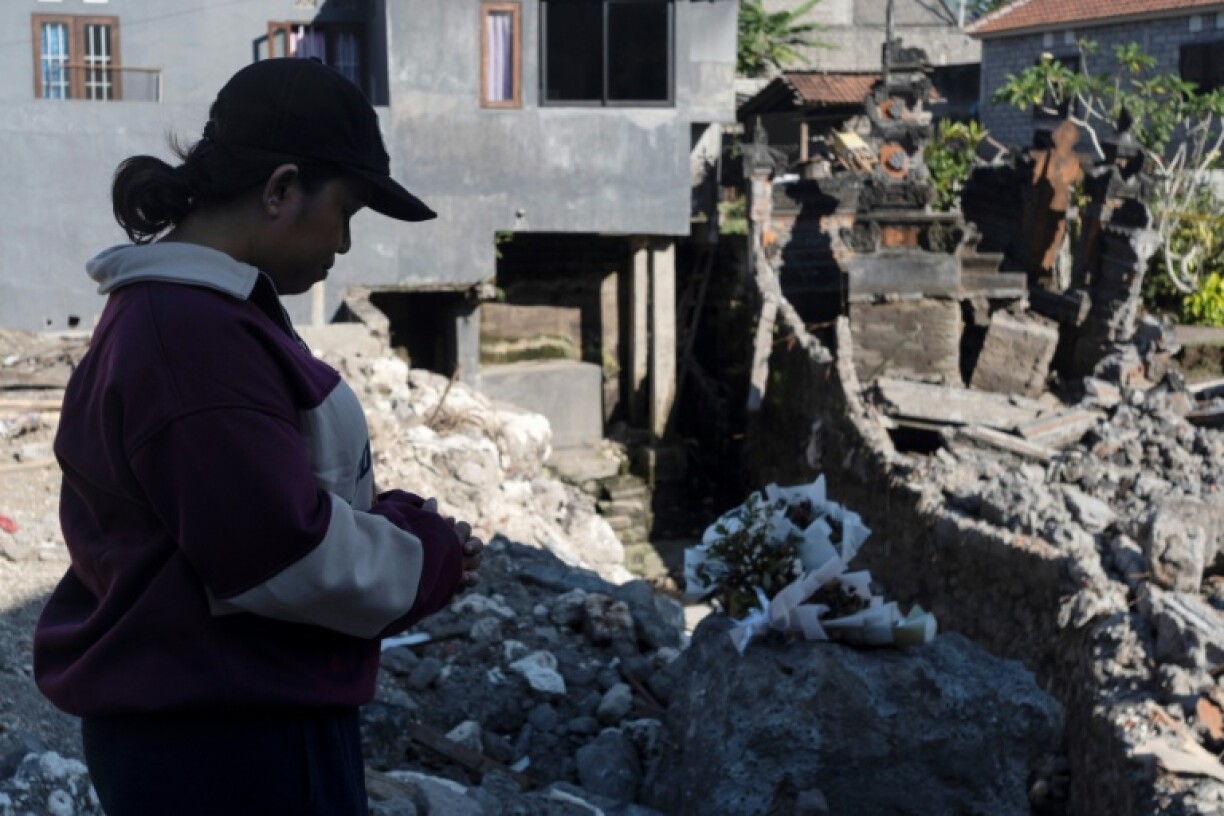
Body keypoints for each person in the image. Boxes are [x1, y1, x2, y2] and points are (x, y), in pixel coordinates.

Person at [32, 58, 482, 815]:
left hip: (220, 724)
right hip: (227, 746)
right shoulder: (191, 337)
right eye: (345, 212)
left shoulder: (198, 317)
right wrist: (427, 556)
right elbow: (280, 555)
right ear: (280, 190)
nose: (343, 243)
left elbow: (252, 504)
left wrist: (390, 523)